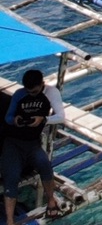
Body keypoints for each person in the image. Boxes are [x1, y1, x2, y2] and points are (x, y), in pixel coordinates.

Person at [2, 66, 66, 222]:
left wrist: (43, 120)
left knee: (45, 165)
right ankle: (10, 220)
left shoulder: (51, 93)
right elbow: (8, 118)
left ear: (42, 84)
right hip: (14, 142)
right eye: (28, 91)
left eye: (34, 91)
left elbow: (61, 117)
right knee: (12, 176)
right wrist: (15, 120)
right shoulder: (19, 94)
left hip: (33, 143)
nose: (31, 94)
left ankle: (51, 201)